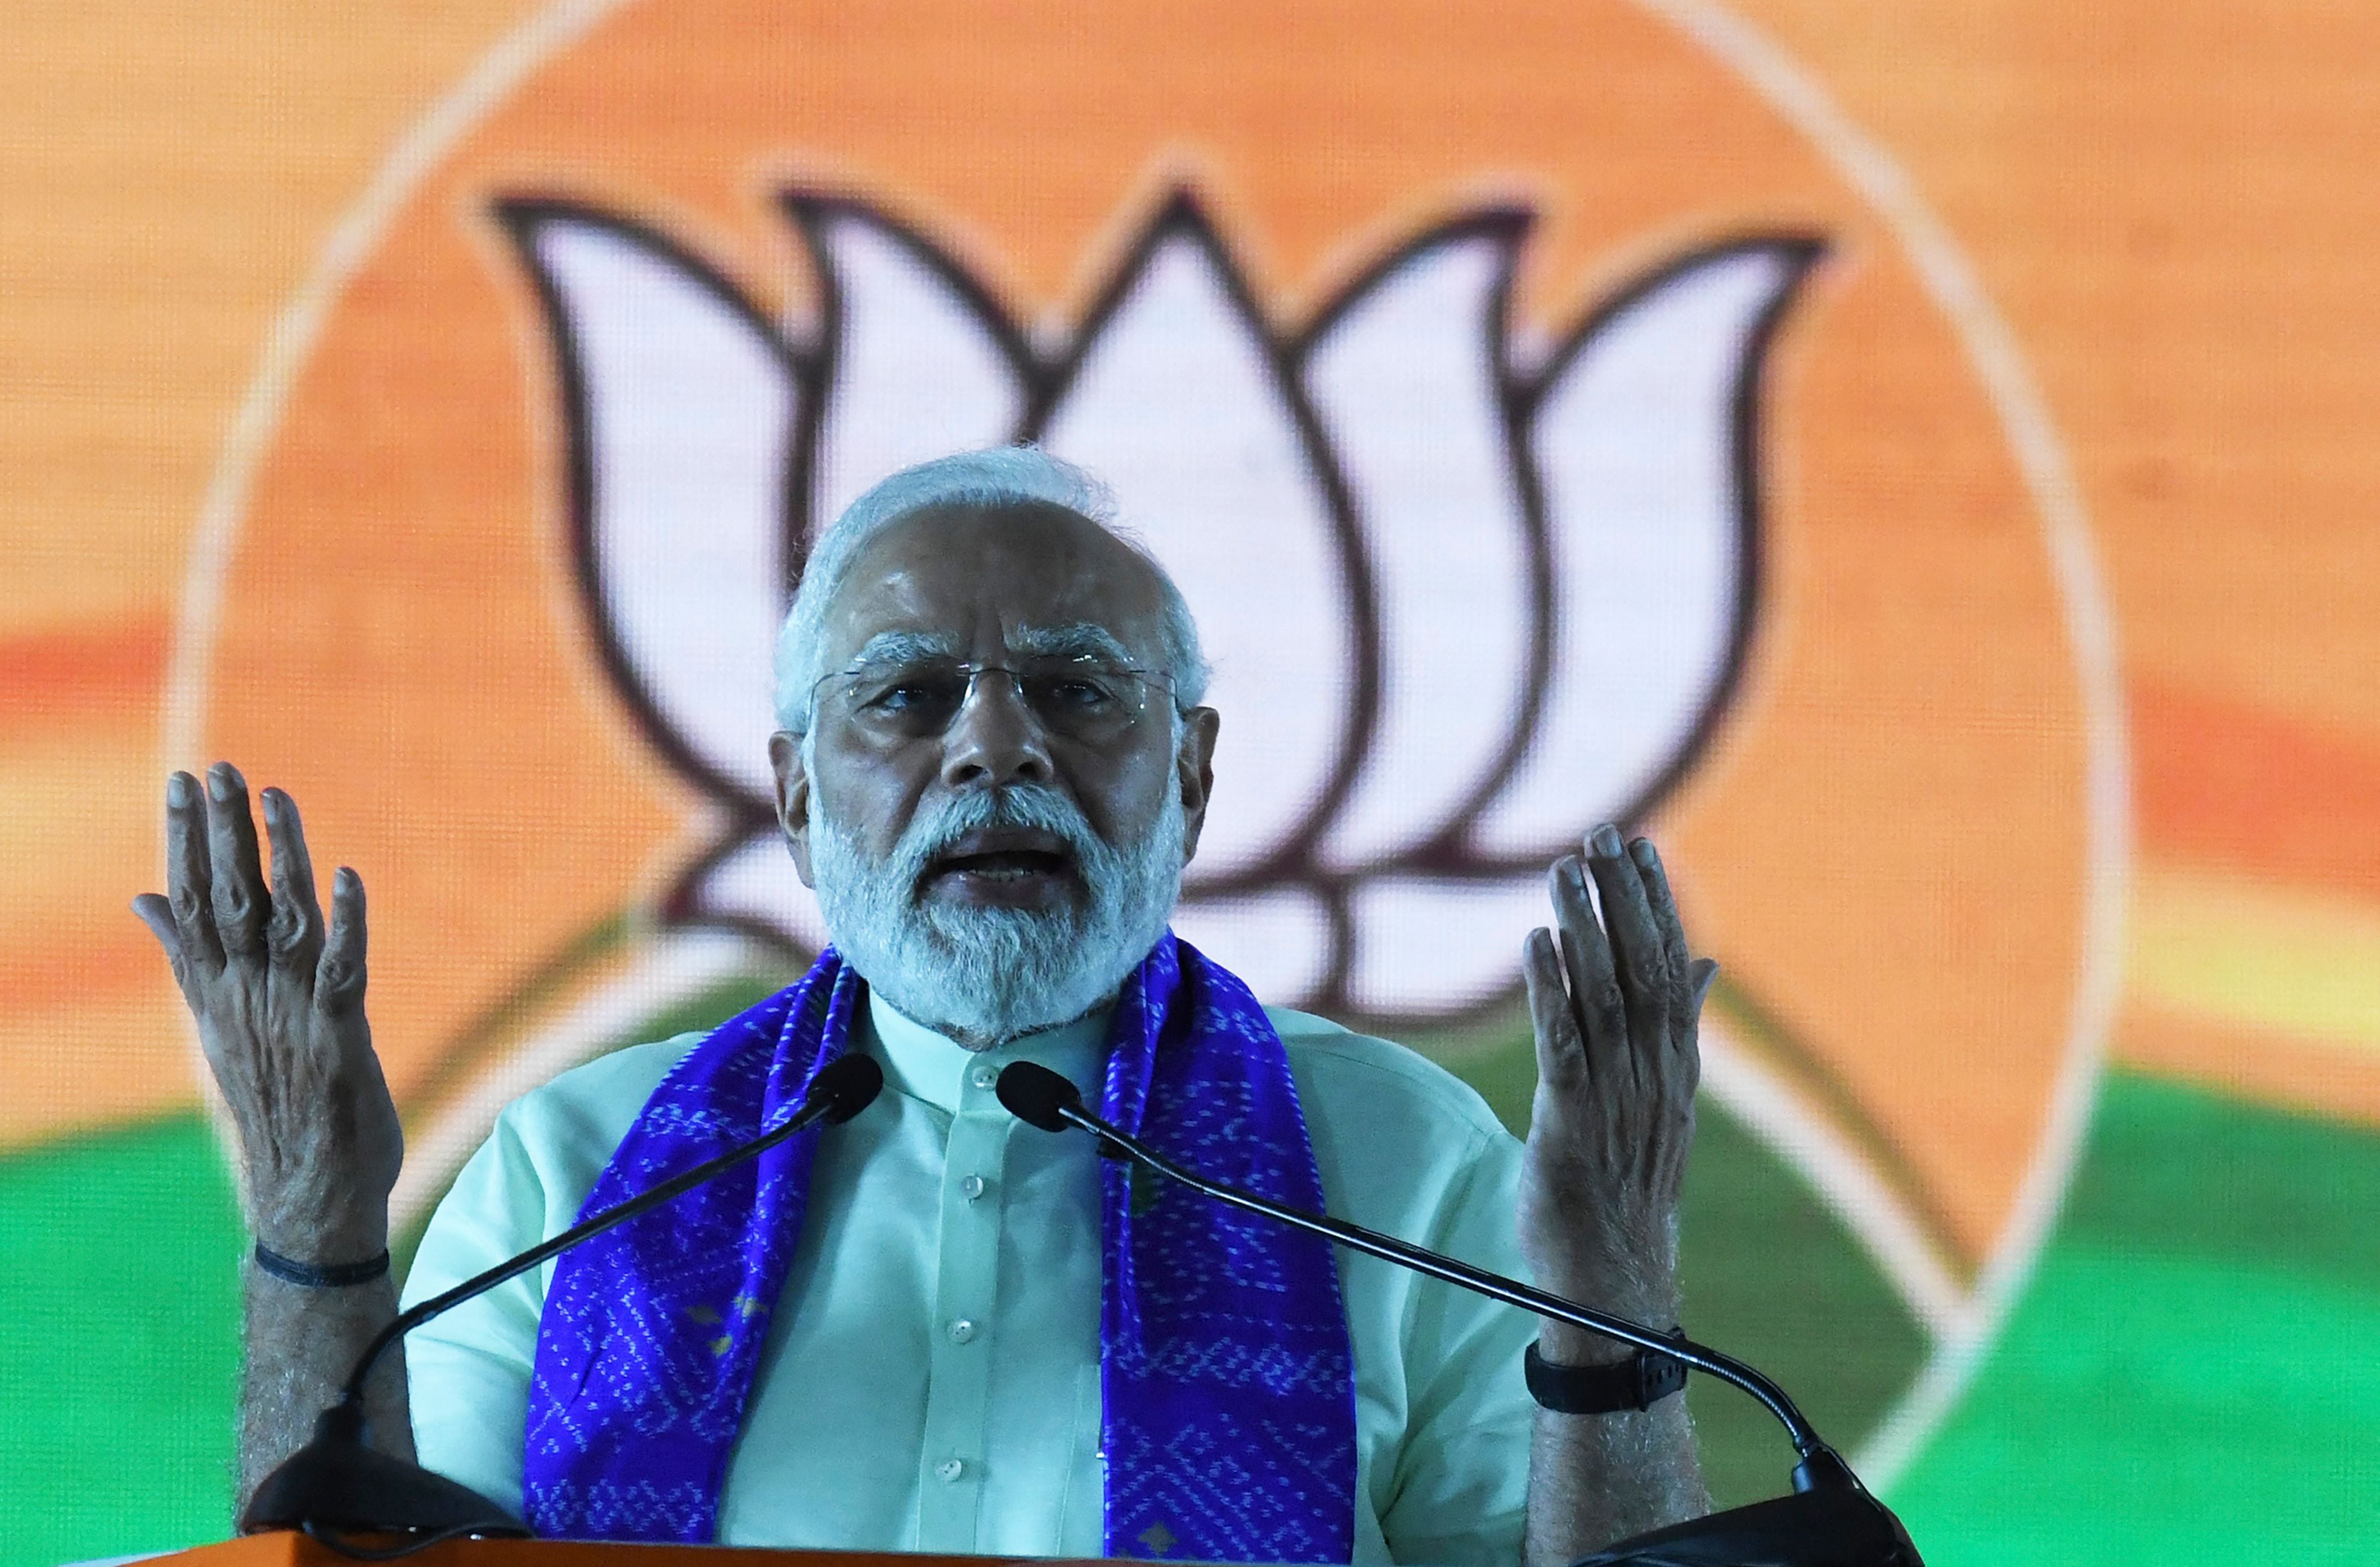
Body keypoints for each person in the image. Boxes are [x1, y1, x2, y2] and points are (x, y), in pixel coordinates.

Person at [136, 447, 1716, 1565]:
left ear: (1193, 771)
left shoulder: (1399, 1164)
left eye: (1077, 689)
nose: (995, 750)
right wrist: (315, 1231)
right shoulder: (581, 1170)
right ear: (795, 797)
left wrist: (1621, 1292)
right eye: (904, 696)